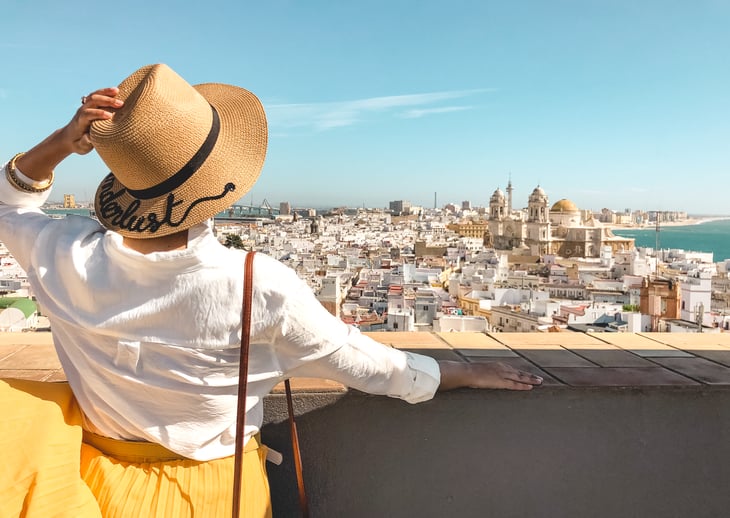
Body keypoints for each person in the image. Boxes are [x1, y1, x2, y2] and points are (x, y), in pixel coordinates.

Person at [0, 64, 542, 518]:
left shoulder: (64, 254)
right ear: (219, 183)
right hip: (207, 497)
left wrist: (61, 142)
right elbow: (373, 368)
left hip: (85, 484)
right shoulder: (257, 285)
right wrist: (464, 371)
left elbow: (9, 204)